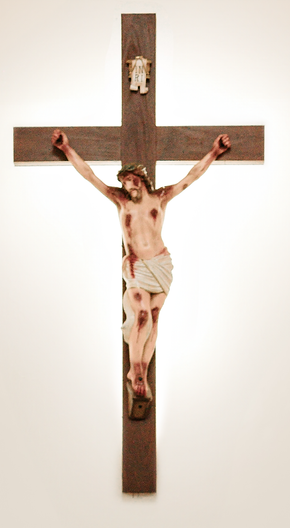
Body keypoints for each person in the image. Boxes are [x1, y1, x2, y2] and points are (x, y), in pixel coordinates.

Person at [51, 128, 231, 403]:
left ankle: (142, 372)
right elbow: (88, 174)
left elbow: (192, 176)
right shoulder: (120, 200)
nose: (127, 186)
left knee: (155, 318)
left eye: (131, 180)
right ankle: (135, 372)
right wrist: (66, 149)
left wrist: (215, 152)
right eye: (124, 183)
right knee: (142, 315)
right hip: (136, 267)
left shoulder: (160, 197)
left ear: (141, 178)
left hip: (161, 264)